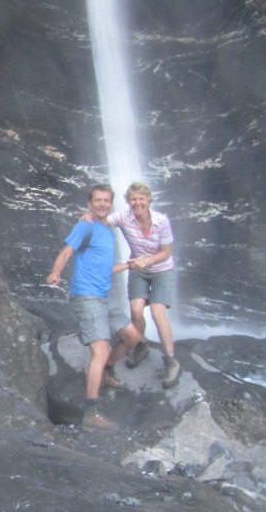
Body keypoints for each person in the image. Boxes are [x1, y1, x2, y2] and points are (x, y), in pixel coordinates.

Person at [47, 184, 143, 432]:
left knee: (132, 337)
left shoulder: (108, 231)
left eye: (106, 200)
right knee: (100, 351)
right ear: (89, 204)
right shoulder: (85, 226)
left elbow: (105, 268)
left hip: (103, 297)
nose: (102, 204)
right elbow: (66, 252)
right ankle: (91, 412)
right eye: (97, 200)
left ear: (111, 204)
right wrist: (56, 272)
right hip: (86, 296)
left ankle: (107, 372)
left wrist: (129, 265)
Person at [105, 181, 180, 389]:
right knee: (136, 311)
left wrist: (147, 261)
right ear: (128, 202)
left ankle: (171, 360)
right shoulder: (124, 217)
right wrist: (87, 219)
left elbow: (166, 252)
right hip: (138, 270)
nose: (137, 203)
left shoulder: (161, 221)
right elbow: (102, 221)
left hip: (161, 270)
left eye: (141, 199)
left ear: (149, 200)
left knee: (157, 312)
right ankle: (141, 344)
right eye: (133, 199)